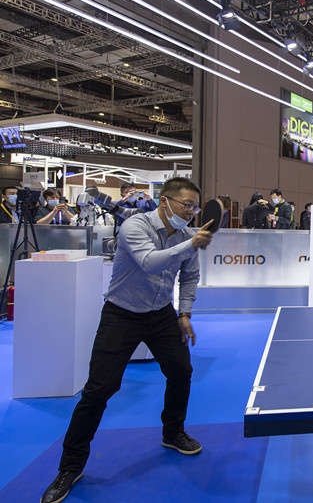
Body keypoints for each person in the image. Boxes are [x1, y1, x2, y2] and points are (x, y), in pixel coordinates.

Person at [40, 177, 215, 503]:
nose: (191, 212)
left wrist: (185, 313)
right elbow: (149, 262)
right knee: (99, 390)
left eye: (195, 207)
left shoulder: (188, 236)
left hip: (162, 313)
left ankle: (173, 431)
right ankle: (70, 467)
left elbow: (190, 276)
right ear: (165, 201)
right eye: (186, 205)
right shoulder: (135, 226)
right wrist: (189, 243)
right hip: (121, 314)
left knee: (181, 370)